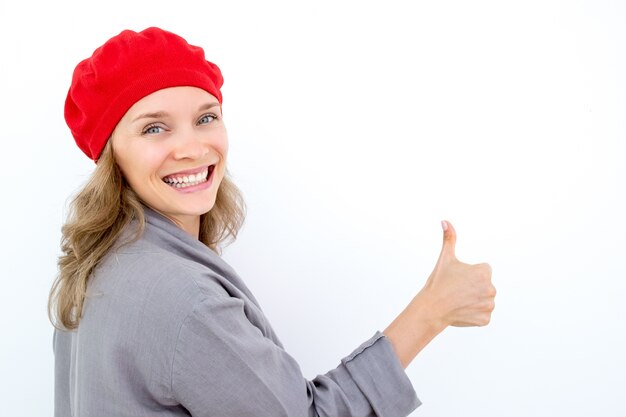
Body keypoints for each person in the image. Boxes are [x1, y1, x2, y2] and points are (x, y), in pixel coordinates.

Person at [49, 27, 496, 417]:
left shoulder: (102, 263)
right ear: (111, 154)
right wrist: (433, 311)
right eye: (154, 128)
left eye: (206, 118)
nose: (192, 147)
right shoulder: (184, 300)